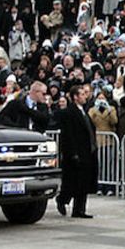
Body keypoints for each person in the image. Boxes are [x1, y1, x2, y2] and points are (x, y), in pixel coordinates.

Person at [54, 83, 98, 218]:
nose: (85, 96)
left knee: (84, 182)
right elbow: (68, 135)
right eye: (82, 94)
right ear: (75, 97)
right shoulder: (69, 112)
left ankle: (79, 209)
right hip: (76, 152)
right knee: (72, 182)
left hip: (87, 151)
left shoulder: (84, 111)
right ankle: (62, 199)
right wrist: (73, 153)